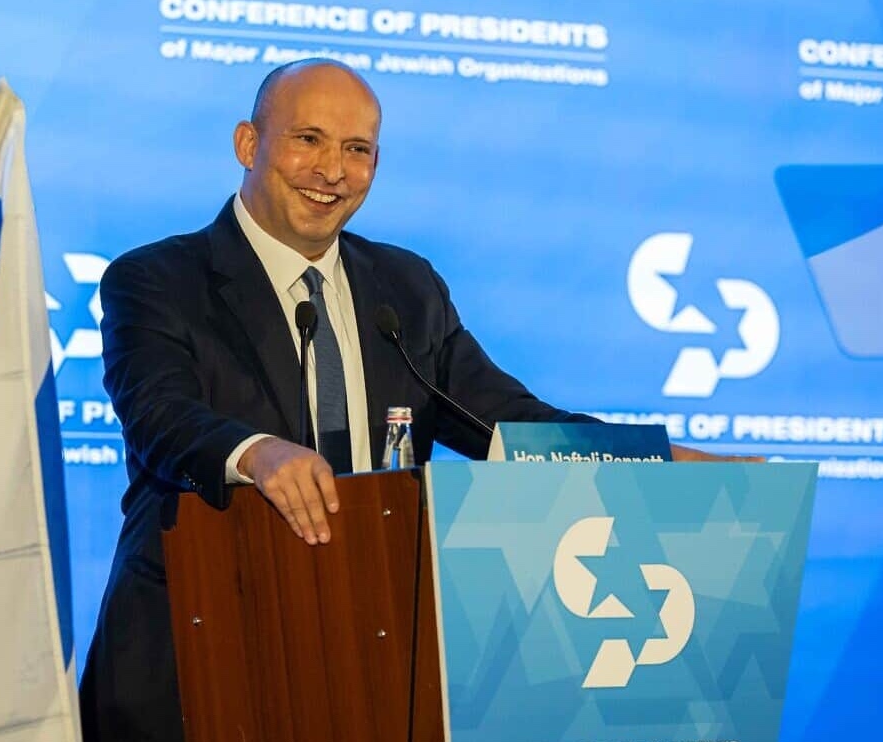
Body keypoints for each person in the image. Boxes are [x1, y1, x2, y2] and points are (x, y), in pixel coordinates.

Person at [79, 58, 725, 741]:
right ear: (248, 144)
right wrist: (257, 454)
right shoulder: (156, 279)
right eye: (309, 139)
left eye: (357, 150)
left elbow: (505, 420)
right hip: (201, 643)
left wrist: (643, 460)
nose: (332, 170)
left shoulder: (405, 288)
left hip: (371, 655)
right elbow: (160, 415)